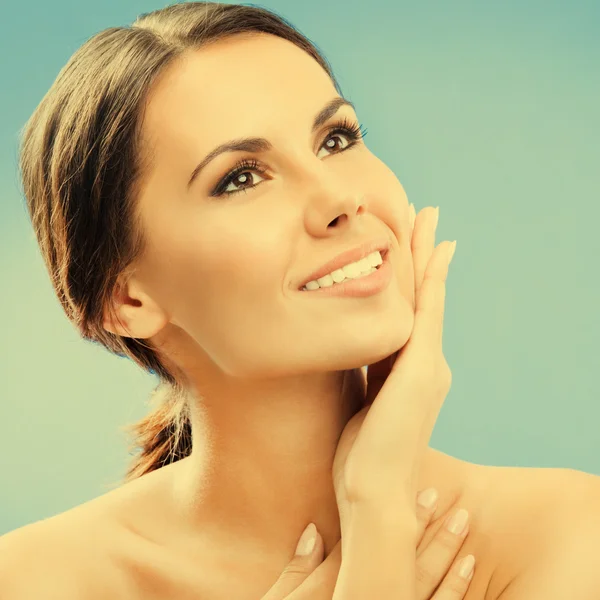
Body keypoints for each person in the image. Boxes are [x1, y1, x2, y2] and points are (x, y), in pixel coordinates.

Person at [3, 2, 600, 598]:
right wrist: (373, 560)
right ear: (127, 300)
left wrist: (380, 497)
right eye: (241, 177)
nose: (340, 199)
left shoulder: (564, 536)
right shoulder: (33, 581)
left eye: (336, 139)